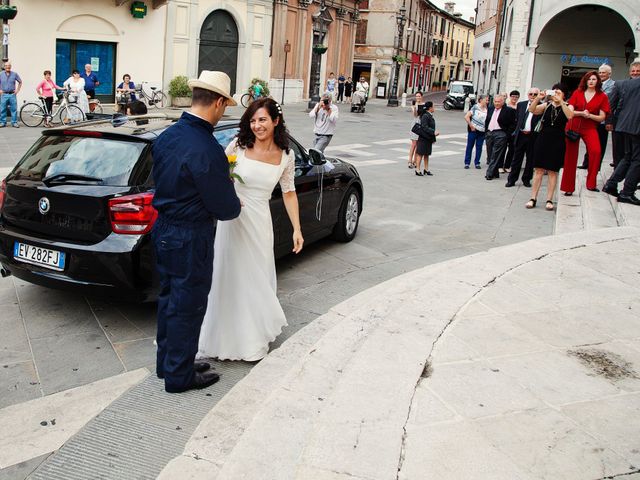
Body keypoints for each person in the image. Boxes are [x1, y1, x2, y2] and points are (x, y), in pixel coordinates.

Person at [151, 70, 241, 393]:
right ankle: (179, 375)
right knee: (188, 305)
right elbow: (227, 209)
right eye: (224, 106)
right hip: (190, 235)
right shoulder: (207, 149)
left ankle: (170, 363)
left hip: (163, 229)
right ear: (218, 103)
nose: (223, 113)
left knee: (169, 299)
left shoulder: (166, 137)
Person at [198, 97, 304, 361]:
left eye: (263, 120)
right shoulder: (239, 145)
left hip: (259, 223)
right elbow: (218, 174)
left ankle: (252, 340)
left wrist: (297, 229)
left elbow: (289, 193)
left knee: (256, 279)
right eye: (253, 120)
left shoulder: (286, 155)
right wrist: (226, 199)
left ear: (276, 121)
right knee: (228, 276)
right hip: (233, 220)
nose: (257, 125)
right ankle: (220, 338)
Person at [524, 84, 574, 210]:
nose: (556, 94)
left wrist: (561, 102)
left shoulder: (567, 106)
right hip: (543, 138)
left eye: (559, 92)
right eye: (554, 92)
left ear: (563, 94)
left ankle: (549, 199)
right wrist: (538, 97)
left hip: (558, 140)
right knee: (538, 170)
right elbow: (532, 110)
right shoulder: (546, 106)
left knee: (553, 171)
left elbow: (570, 116)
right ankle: (533, 198)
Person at [560, 70, 610, 195]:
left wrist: (590, 116)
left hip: (590, 127)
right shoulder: (578, 93)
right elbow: (570, 112)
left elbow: (601, 117)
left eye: (594, 79)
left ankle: (591, 183)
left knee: (596, 151)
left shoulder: (602, 96)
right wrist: (581, 113)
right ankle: (568, 187)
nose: (591, 81)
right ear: (585, 81)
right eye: (589, 79)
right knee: (570, 157)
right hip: (573, 126)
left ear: (598, 81)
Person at [602, 73, 640, 205]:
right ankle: (627, 192)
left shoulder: (627, 83)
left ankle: (611, 184)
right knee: (637, 160)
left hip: (626, 125)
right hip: (637, 126)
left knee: (628, 157)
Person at [579, 64, 615, 171]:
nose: (601, 74)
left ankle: (596, 166)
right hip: (591, 118)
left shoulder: (613, 85)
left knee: (600, 143)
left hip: (602, 119)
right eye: (600, 72)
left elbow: (606, 99)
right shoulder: (594, 83)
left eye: (603, 72)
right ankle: (586, 163)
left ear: (609, 74)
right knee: (589, 141)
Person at [505, 87, 541, 188]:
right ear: (528, 95)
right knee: (516, 159)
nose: (533, 96)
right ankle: (511, 180)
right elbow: (517, 119)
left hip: (532, 136)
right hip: (520, 135)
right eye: (531, 94)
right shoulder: (521, 105)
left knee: (530, 159)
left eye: (535, 94)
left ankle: (526, 179)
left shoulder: (541, 106)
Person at [607, 62, 640, 169]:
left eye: (638, 71)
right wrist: (609, 121)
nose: (635, 73)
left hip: (637, 126)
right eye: (633, 71)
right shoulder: (620, 84)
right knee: (619, 153)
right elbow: (611, 104)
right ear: (629, 72)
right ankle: (617, 174)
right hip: (620, 125)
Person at [484, 94, 517, 180]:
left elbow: (513, 124)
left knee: (496, 154)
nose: (497, 103)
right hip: (490, 133)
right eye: (495, 101)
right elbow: (487, 120)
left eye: (499, 102)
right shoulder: (490, 108)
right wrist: (486, 132)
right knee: (490, 154)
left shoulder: (509, 110)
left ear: (503, 102)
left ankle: (489, 173)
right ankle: (495, 173)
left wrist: (507, 134)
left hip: (501, 133)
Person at [463, 94, 488, 169]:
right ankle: (467, 163)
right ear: (481, 100)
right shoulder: (475, 107)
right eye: (486, 100)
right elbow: (466, 116)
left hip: (482, 131)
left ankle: (477, 162)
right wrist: (471, 126)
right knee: (470, 146)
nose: (487, 101)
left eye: (488, 100)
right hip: (473, 130)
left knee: (479, 147)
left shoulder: (487, 109)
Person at [498, 90, 520, 173]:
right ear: (510, 97)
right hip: (505, 130)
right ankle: (500, 166)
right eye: (513, 96)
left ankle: (507, 165)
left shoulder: (519, 106)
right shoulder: (505, 106)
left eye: (516, 97)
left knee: (512, 149)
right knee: (502, 148)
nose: (514, 98)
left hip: (514, 131)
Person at [414, 101, 439, 176]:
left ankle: (426, 169)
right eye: (433, 106)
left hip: (428, 138)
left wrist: (433, 138)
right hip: (423, 138)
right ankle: (417, 170)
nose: (434, 108)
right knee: (420, 154)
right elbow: (425, 127)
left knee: (426, 154)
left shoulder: (430, 115)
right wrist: (433, 132)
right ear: (430, 108)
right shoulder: (425, 116)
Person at [0, 61, 22, 128]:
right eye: (6, 66)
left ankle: (14, 122)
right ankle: (2, 122)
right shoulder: (1, 74)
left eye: (9, 66)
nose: (8, 67)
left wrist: (17, 90)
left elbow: (20, 82)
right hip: (4, 94)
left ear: (10, 67)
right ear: (4, 67)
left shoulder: (14, 74)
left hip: (12, 94)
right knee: (2, 109)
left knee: (14, 109)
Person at [409, 92, 425, 168]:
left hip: (422, 124)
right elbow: (415, 115)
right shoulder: (413, 104)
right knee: (414, 144)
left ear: (422, 97)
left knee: (418, 144)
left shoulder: (425, 105)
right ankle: (409, 160)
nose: (417, 98)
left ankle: (415, 161)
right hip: (415, 124)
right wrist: (415, 107)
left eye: (419, 96)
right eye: (416, 96)